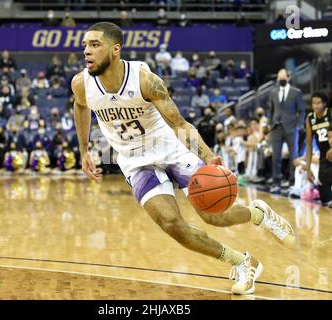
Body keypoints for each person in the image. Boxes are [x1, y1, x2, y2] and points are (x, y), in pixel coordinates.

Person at [71, 22, 296, 295]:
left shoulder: (144, 79)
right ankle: (243, 262)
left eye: (95, 45)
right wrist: (84, 150)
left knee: (213, 216)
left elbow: (179, 124)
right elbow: (81, 106)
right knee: (172, 225)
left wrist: (209, 156)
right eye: (85, 45)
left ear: (115, 50)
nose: (87, 51)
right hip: (135, 160)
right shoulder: (81, 83)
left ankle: (259, 214)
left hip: (171, 149)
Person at [268, 69, 305, 194]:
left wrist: (299, 125)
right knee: (275, 157)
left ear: (288, 78)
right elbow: (270, 110)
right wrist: (270, 123)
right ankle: (276, 183)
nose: (281, 80)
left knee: (293, 156)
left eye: (283, 78)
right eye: (279, 78)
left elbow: (302, 110)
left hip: (291, 127)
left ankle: (293, 182)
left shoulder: (296, 92)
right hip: (276, 128)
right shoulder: (273, 92)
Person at [306, 92, 332, 208]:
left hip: (331, 150)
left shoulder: (330, 113)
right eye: (313, 103)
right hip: (323, 155)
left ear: (324, 103)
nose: (316, 106)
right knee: (324, 199)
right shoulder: (310, 118)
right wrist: (308, 169)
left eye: (318, 103)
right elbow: (309, 145)